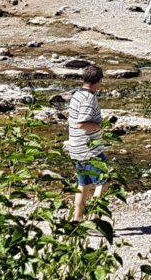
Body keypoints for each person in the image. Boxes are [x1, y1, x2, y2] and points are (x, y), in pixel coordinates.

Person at [65, 65, 107, 221]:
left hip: (76, 147)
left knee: (84, 184)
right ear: (98, 81)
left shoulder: (77, 94)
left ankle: (78, 218)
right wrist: (101, 126)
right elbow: (82, 123)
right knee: (104, 181)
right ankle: (95, 218)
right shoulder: (89, 98)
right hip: (88, 149)